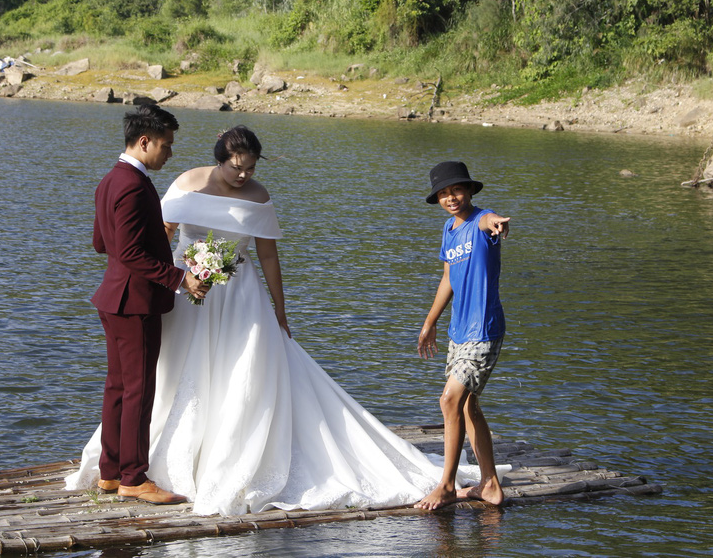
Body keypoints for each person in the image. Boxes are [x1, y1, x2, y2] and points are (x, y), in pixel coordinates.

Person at [66, 126, 485, 515]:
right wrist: (183, 268)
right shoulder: (186, 181)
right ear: (219, 160)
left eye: (250, 168)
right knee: (160, 374)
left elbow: (267, 254)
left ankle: (216, 459)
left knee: (240, 374)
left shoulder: (259, 196)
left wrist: (280, 309)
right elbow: (158, 231)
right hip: (185, 285)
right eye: (236, 167)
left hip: (240, 293)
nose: (244, 174)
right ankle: (131, 465)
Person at [89, 104, 209, 505]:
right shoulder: (133, 185)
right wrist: (181, 277)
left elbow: (101, 243)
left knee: (118, 388)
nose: (169, 154)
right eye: (166, 145)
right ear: (144, 141)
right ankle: (134, 478)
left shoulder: (110, 180)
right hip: (134, 302)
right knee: (139, 390)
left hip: (114, 296)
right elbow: (129, 252)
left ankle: (110, 473)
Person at [415, 161, 510, 510]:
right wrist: (430, 321)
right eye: (443, 193)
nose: (451, 198)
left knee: (449, 401)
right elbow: (448, 278)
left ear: (469, 191)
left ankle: (446, 485)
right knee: (468, 405)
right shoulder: (449, 230)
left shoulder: (482, 221)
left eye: (456, 190)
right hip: (459, 331)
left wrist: (496, 222)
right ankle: (490, 485)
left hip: (483, 330)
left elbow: (490, 220)